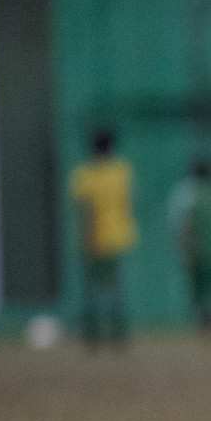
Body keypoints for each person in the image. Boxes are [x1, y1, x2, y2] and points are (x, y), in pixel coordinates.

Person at [68, 129, 135, 348]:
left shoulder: (84, 174)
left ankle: (92, 335)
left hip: (94, 236)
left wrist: (87, 237)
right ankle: (118, 334)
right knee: (116, 288)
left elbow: (85, 210)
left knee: (92, 289)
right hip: (117, 236)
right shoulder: (121, 171)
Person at [168, 158, 211, 334]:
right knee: (207, 287)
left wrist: (183, 246)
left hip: (198, 248)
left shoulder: (184, 192)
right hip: (209, 248)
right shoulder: (208, 193)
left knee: (198, 288)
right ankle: (207, 320)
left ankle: (204, 321)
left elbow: (179, 224)